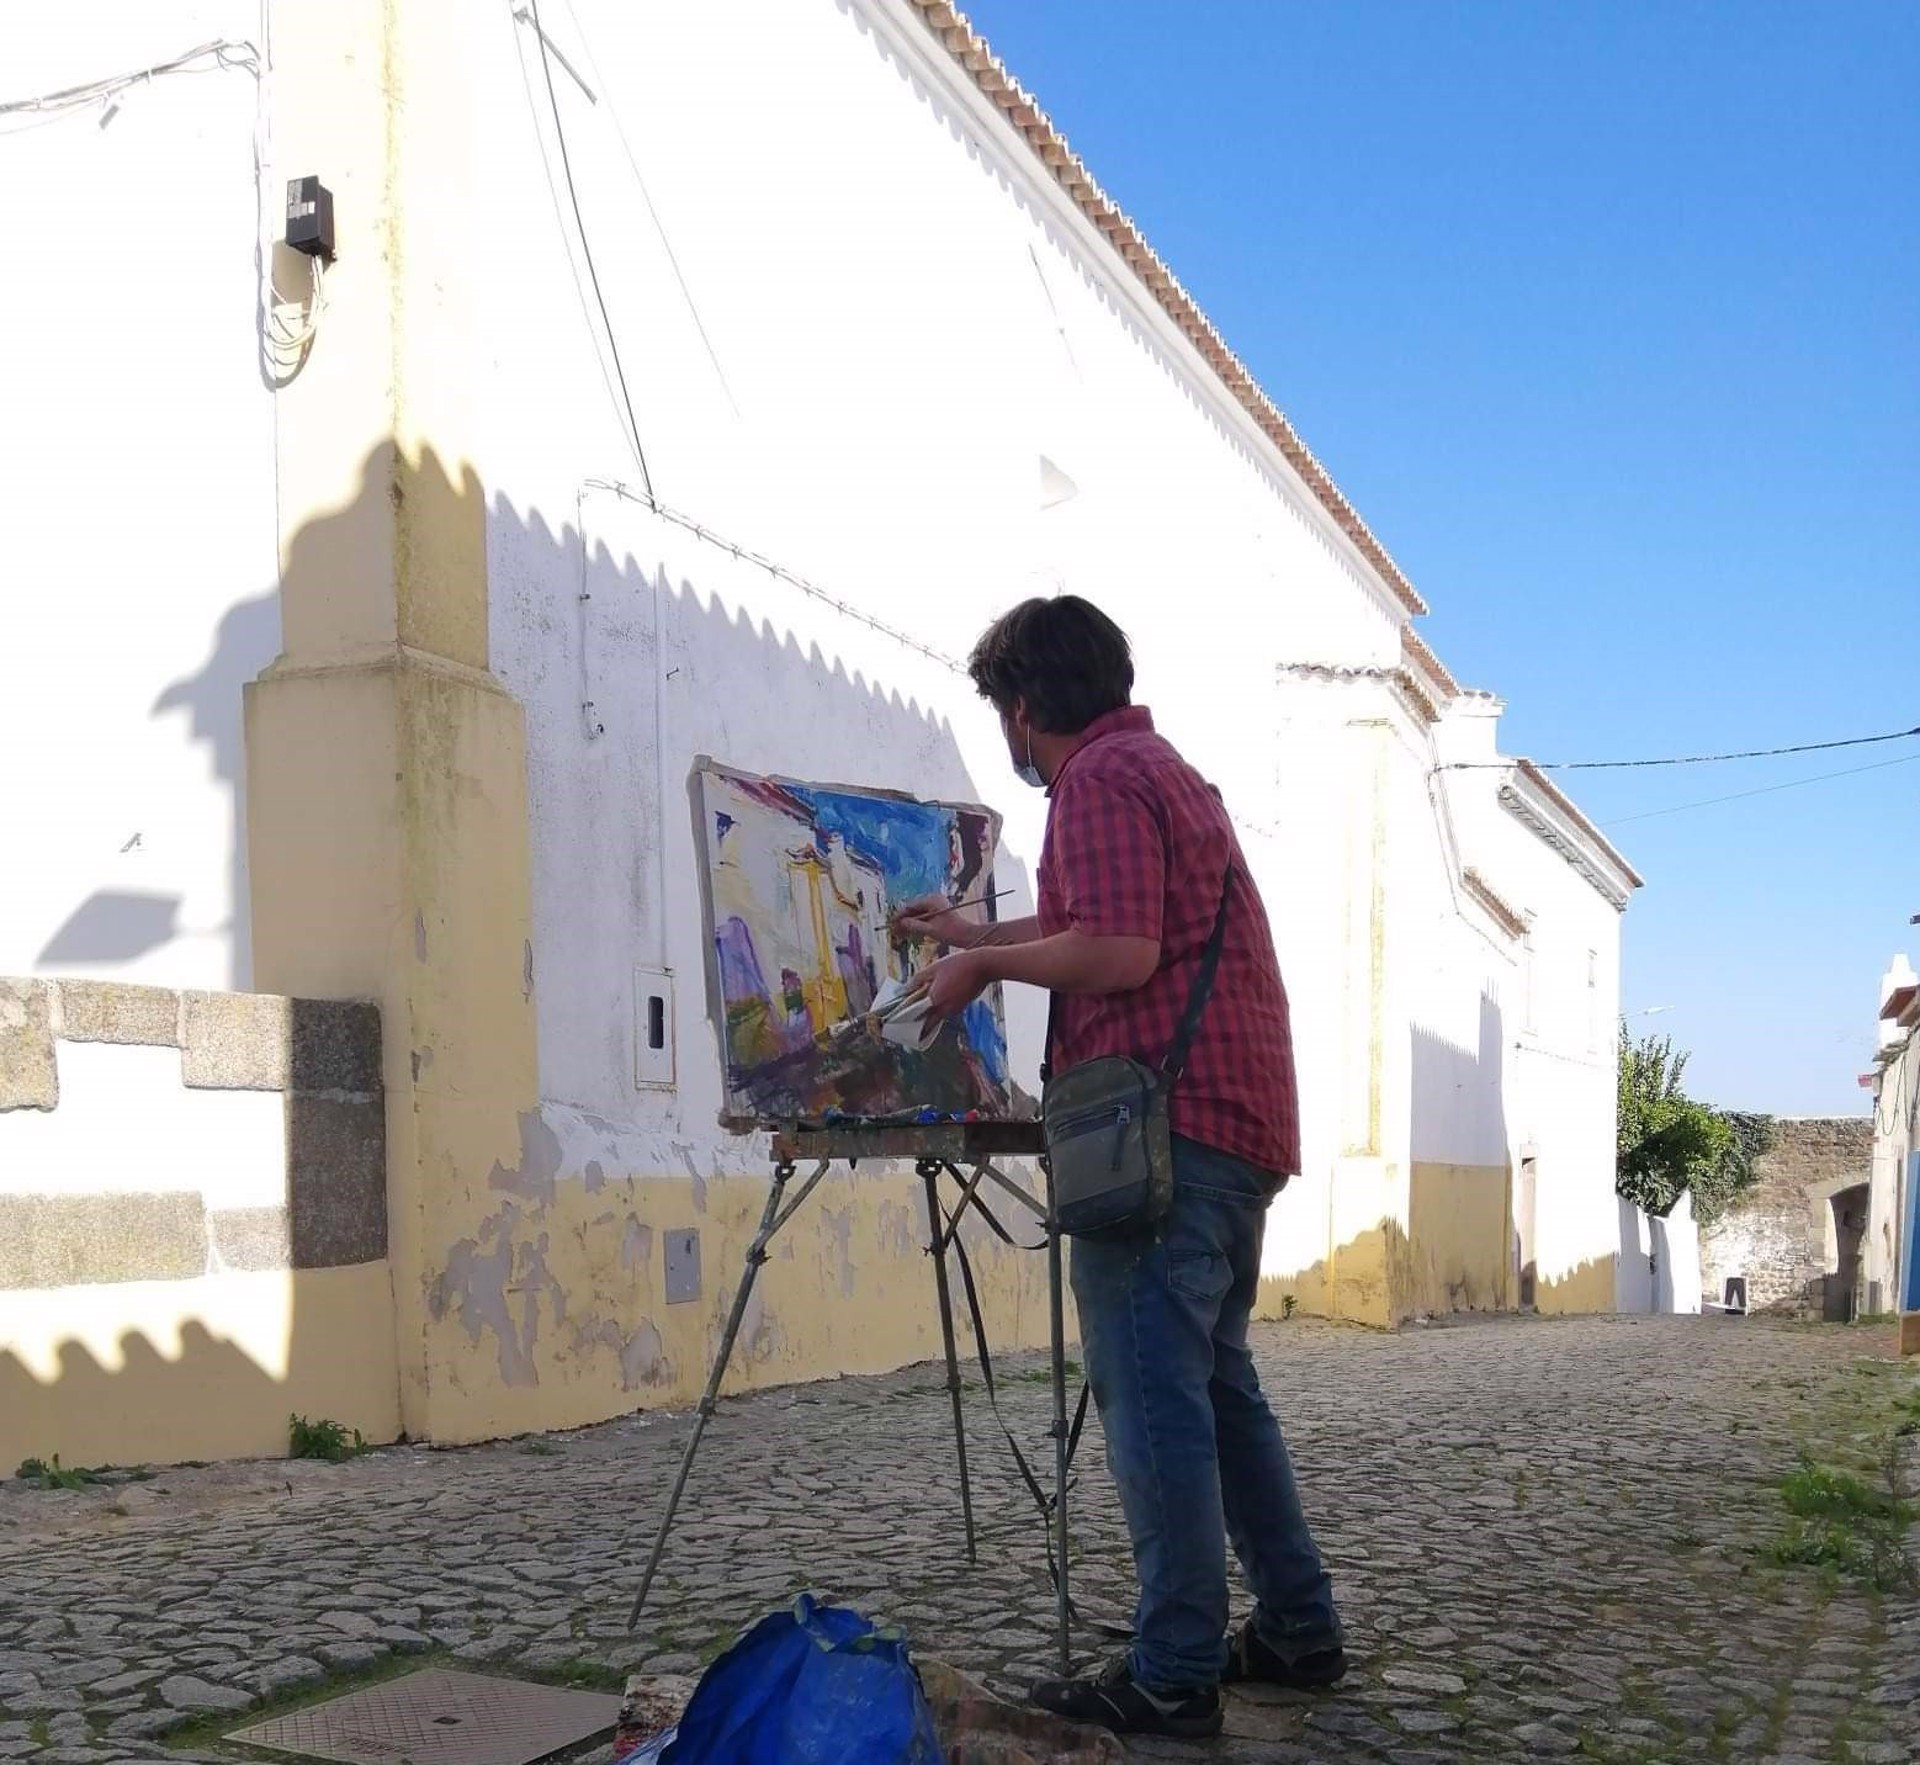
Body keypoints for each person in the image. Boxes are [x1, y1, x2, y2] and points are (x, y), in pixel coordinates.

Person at [895, 596, 1345, 1741]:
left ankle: (1174, 1671)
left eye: (1002, 707)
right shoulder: (1162, 769)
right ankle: (1296, 1627)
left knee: (1156, 1399)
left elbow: (1117, 947)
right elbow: (1102, 916)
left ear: (1024, 703)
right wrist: (977, 936)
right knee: (1220, 1387)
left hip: (1165, 1137)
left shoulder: (1095, 778)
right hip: (1230, 1125)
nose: (1006, 725)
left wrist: (973, 976)